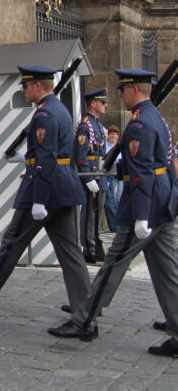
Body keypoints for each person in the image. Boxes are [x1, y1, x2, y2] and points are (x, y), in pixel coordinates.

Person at [48, 69, 178, 356]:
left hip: (145, 207)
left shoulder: (140, 124)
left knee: (112, 267)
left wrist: (142, 215)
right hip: (163, 202)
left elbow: (144, 171)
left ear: (135, 91)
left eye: (122, 90)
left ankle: (84, 321)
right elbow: (163, 163)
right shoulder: (157, 118)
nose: (119, 95)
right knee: (168, 271)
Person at [0, 66, 91, 314]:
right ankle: (86, 306)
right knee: (70, 252)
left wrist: (39, 200)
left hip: (44, 190)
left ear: (38, 85)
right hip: (63, 188)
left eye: (25, 86)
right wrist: (25, 158)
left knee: (10, 245)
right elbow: (52, 153)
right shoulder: (59, 109)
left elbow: (47, 159)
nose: (23, 91)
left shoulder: (44, 115)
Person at [73, 88, 109, 263]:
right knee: (89, 215)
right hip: (92, 174)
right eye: (103, 102)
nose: (106, 105)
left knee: (97, 213)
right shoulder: (85, 125)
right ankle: (90, 248)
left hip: (100, 174)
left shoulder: (99, 126)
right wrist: (87, 177)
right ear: (93, 103)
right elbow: (80, 154)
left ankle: (94, 245)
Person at [103, 124, 121, 232]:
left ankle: (119, 222)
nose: (114, 136)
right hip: (110, 175)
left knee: (119, 198)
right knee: (111, 199)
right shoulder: (105, 146)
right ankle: (115, 225)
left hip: (120, 175)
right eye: (112, 134)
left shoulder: (119, 146)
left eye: (116, 134)